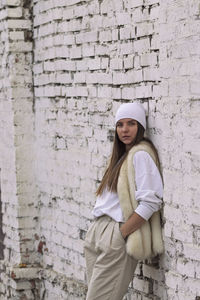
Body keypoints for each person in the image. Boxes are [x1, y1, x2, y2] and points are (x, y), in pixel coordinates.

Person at [84, 102, 164, 300]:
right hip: (98, 231)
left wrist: (122, 234)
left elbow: (151, 201)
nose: (125, 129)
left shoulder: (141, 155)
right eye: (120, 124)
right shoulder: (122, 157)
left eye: (131, 123)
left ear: (141, 127)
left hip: (116, 234)